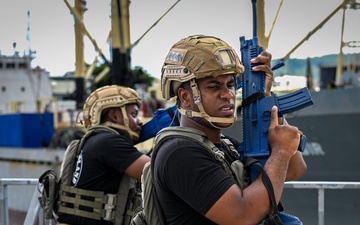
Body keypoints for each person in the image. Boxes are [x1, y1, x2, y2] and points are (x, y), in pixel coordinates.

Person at [154, 35, 307, 224]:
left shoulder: (225, 146)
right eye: (214, 86)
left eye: (231, 84)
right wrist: (281, 152)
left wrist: (266, 99)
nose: (228, 95)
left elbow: (294, 169)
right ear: (185, 97)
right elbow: (242, 216)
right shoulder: (180, 152)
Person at [57, 85, 150, 225]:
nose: (139, 122)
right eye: (134, 115)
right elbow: (155, 173)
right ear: (114, 116)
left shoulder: (95, 140)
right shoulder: (108, 142)